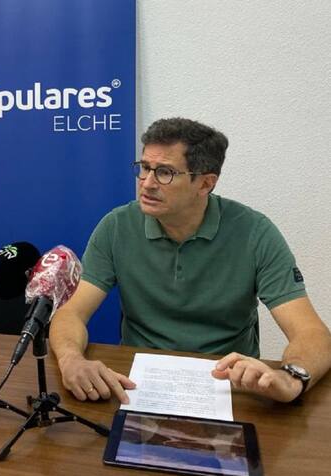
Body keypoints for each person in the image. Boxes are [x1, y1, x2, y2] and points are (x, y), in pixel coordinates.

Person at [49, 117, 331, 405]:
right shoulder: (117, 226)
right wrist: (71, 360)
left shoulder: (255, 233)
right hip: (139, 383)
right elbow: (71, 313)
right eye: (144, 168)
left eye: (165, 173)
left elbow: (312, 333)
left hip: (228, 385)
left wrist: (291, 378)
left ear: (205, 183)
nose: (147, 183)